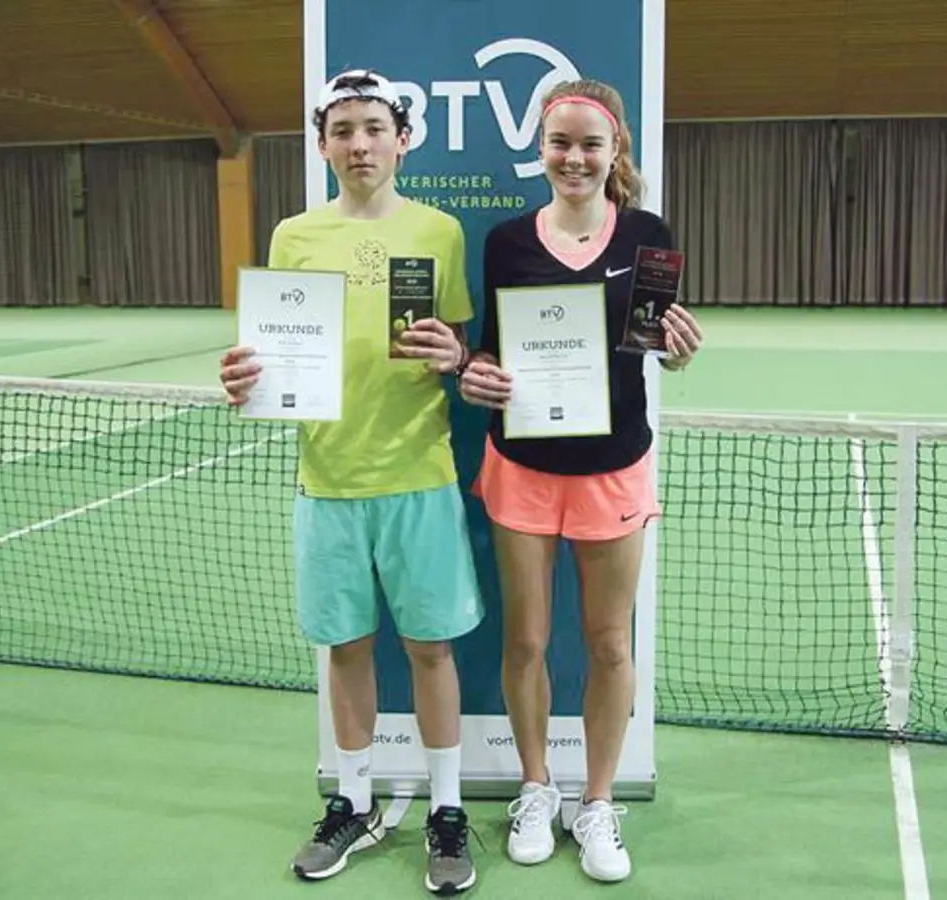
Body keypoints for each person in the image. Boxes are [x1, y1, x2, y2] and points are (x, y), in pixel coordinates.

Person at [219, 69, 483, 895]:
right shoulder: (293, 236)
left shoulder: (440, 231)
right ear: (323, 143)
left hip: (419, 473)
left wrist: (458, 357)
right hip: (327, 479)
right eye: (343, 130)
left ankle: (446, 810)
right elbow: (273, 357)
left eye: (375, 127)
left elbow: (461, 350)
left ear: (403, 138)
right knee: (344, 647)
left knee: (431, 648)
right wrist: (244, 379)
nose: (360, 143)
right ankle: (355, 800)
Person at [456, 78, 706, 884]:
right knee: (525, 640)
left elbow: (654, 342)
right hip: (523, 467)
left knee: (607, 642)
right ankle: (537, 787)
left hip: (614, 467)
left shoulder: (647, 234)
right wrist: (476, 377)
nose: (574, 157)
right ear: (542, 149)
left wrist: (678, 346)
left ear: (614, 152)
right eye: (560, 143)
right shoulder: (503, 241)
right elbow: (489, 352)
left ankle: (597, 802)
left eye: (589, 144)